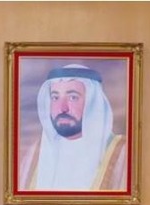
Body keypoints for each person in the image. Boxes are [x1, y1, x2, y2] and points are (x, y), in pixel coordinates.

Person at [18, 64, 128, 192]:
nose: (62, 108)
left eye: (73, 97)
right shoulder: (34, 154)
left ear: (92, 103)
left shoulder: (122, 152)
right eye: (55, 97)